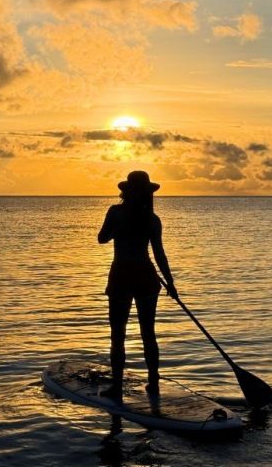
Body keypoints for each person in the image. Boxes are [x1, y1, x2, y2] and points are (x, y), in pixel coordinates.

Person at [97, 170, 178, 403]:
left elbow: (102, 238)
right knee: (148, 333)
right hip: (145, 276)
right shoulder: (152, 219)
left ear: (125, 191)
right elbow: (159, 254)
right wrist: (170, 283)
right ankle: (153, 383)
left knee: (118, 334)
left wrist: (116, 229)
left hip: (122, 275)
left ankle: (117, 386)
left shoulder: (116, 212)